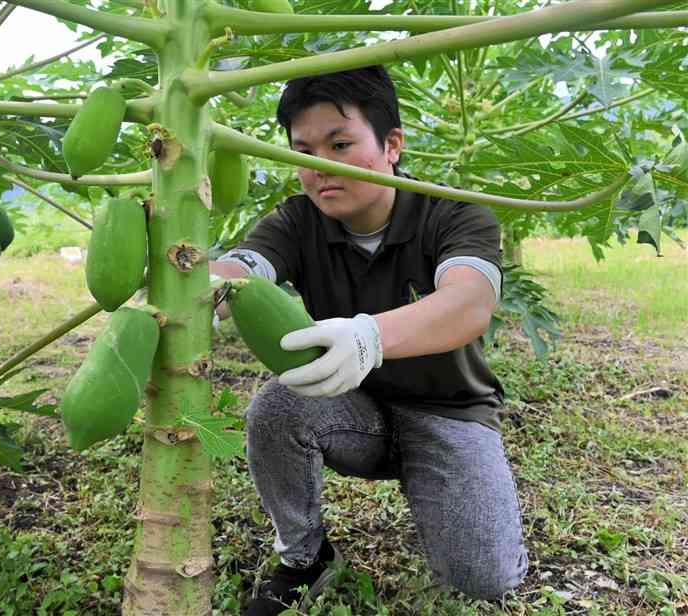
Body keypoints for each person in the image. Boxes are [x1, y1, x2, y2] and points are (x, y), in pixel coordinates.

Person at [210, 65, 528, 615]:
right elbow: (246, 266)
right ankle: (306, 558)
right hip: (354, 411)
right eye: (303, 149)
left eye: (340, 144)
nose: (319, 168)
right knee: (278, 406)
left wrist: (370, 336)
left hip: (447, 412)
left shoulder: (451, 211)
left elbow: (471, 301)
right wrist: (203, 280)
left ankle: (451, 494)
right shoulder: (297, 219)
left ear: (392, 145)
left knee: (484, 578)